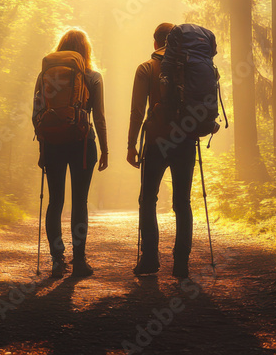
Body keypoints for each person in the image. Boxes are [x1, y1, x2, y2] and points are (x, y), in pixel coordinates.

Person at [36, 29, 109, 278]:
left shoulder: (45, 75)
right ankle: (79, 261)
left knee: (55, 201)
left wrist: (42, 147)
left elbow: (37, 114)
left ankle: (57, 260)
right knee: (80, 201)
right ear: (85, 50)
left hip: (53, 143)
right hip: (82, 143)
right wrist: (105, 148)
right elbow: (98, 116)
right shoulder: (93, 77)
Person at [127, 22, 197, 279]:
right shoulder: (190, 65)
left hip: (157, 142)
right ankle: (181, 264)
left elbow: (136, 110)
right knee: (183, 202)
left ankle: (150, 259)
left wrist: (131, 144)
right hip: (187, 140)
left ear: (156, 43)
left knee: (148, 200)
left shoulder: (146, 67)